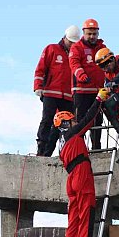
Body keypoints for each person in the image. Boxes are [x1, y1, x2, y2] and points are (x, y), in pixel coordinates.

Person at [52, 89, 105, 237]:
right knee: (87, 213)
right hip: (81, 174)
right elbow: (88, 119)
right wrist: (99, 99)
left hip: (71, 179)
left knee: (74, 219)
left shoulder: (61, 143)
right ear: (66, 123)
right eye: (72, 120)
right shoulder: (73, 134)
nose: (75, 122)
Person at [33, 25, 80, 157]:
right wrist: (38, 86)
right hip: (50, 93)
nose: (72, 45)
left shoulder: (76, 54)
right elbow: (40, 68)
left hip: (68, 96)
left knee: (65, 125)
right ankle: (41, 151)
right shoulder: (51, 49)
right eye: (70, 42)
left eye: (74, 43)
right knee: (47, 120)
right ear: (64, 38)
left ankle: (62, 152)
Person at [69, 18, 106, 150]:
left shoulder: (102, 48)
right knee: (81, 122)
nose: (92, 36)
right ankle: (79, 148)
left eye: (94, 34)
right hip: (81, 91)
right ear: (84, 33)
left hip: (98, 92)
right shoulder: (76, 47)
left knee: (97, 121)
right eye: (89, 33)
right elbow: (74, 64)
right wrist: (82, 76)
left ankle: (96, 148)